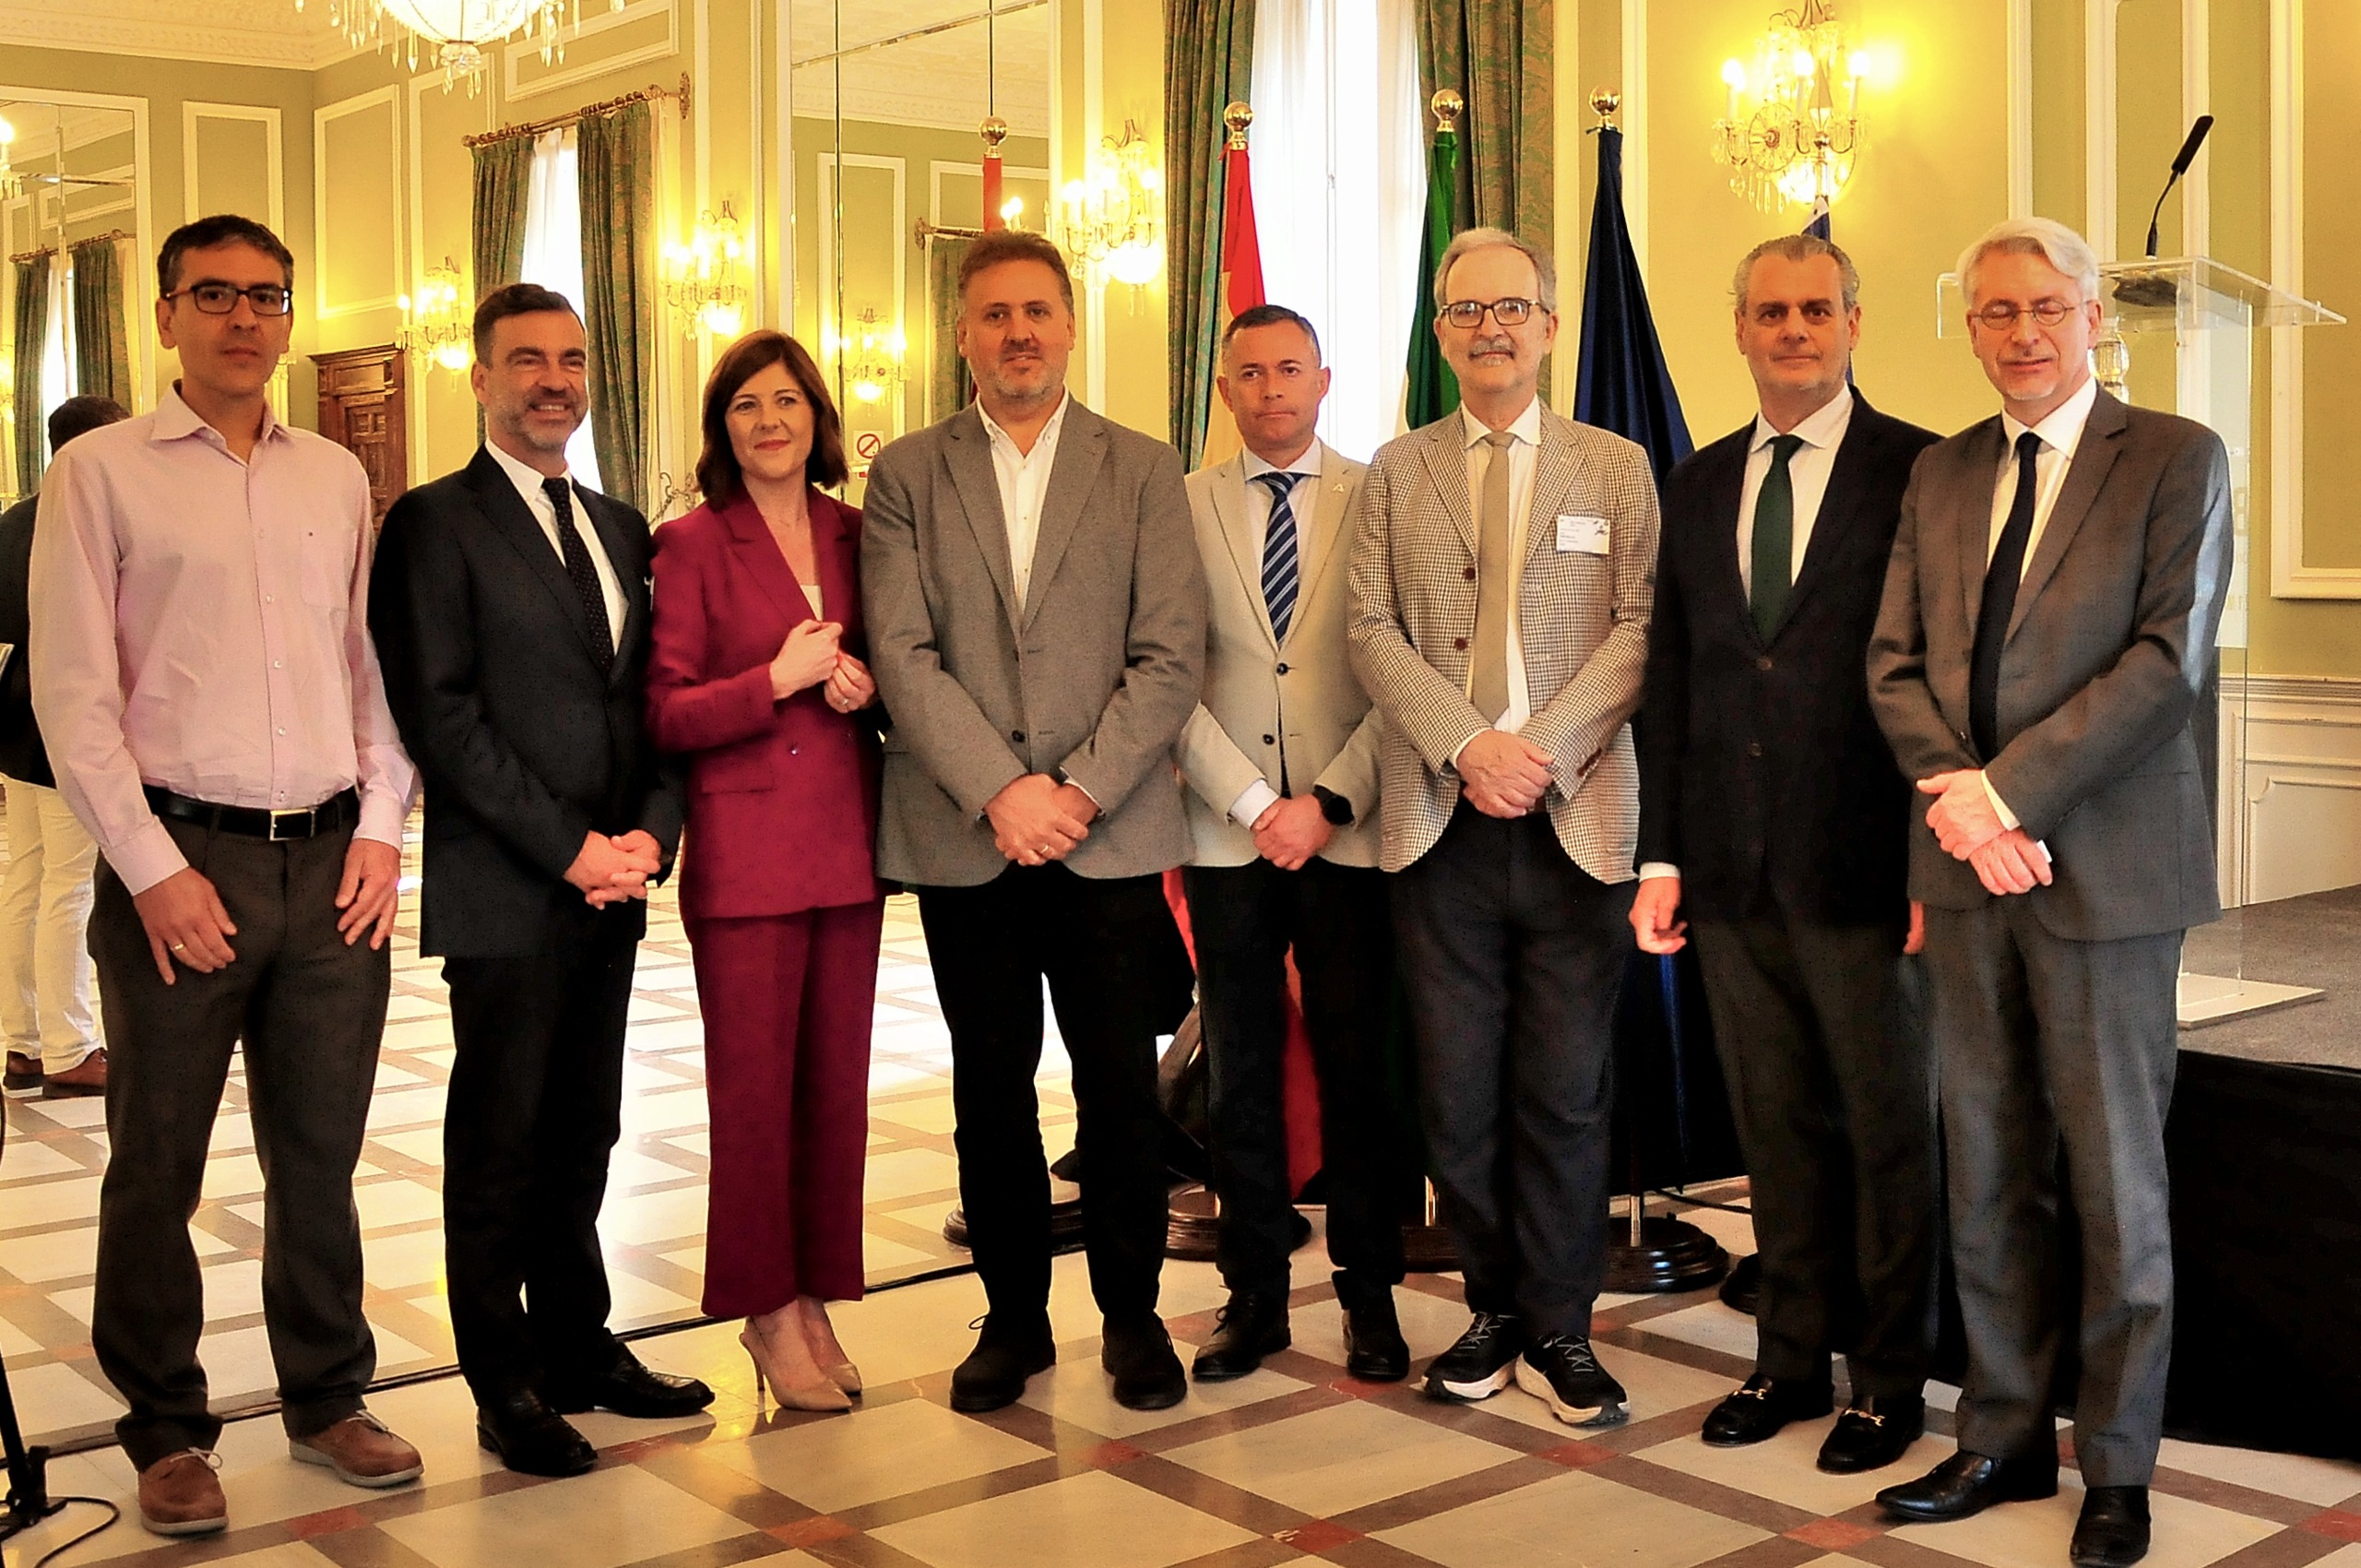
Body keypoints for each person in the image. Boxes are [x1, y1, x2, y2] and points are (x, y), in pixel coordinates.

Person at [30, 214, 421, 1537]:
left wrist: (380, 826)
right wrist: (148, 870)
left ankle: (327, 1395)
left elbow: (371, 669)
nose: (244, 319)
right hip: (179, 860)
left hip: (329, 866)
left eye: (267, 297)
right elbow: (77, 701)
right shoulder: (100, 475)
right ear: (164, 317)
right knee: (157, 1161)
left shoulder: (332, 479)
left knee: (319, 1152)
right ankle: (166, 1425)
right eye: (215, 295)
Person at [1866, 217, 2233, 1568]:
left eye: (2043, 308)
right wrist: (1964, 811)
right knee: (1990, 1165)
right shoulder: (1943, 471)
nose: (2019, 333)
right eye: (1993, 313)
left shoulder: (2179, 457)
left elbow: (2163, 661)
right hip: (1967, 875)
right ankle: (2002, 1436)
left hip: (2105, 872)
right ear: (1969, 328)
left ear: (2093, 317)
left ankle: (2120, 1465)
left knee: (2116, 1180)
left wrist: (2004, 797)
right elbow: (1894, 663)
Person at [368, 282, 711, 1479]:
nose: (553, 379)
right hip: (510, 890)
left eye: (571, 358)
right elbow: (441, 718)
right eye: (526, 360)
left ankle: (580, 1344)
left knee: (588, 1130)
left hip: (615, 889)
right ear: (480, 377)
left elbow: (656, 705)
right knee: (500, 1144)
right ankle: (501, 1379)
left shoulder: (622, 527)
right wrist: (571, 848)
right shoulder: (432, 523)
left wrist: (651, 837)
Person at [861, 228, 1207, 1416]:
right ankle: (1011, 1315)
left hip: (1105, 831)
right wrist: (998, 791)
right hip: (967, 835)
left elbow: (1170, 655)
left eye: (1037, 312)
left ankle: (1132, 1314)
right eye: (994, 314)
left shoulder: (1143, 467)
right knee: (987, 1087)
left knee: (1118, 1088)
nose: (1017, 332)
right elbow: (900, 652)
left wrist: (1075, 792)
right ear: (962, 334)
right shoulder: (906, 473)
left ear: (1069, 326)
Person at [1631, 235, 1941, 1473]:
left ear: (1856, 323)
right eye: (1772, 311)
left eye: (1818, 309)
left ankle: (1891, 1380)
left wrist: (1931, 862)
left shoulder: (1922, 472)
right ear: (1742, 330)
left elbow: (1942, 683)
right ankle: (1789, 1361)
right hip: (1730, 873)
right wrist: (1662, 857)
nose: (1795, 329)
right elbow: (1673, 682)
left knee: (1885, 1133)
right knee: (1776, 1130)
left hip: (1871, 874)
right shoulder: (1698, 484)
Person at [1346, 226, 1658, 1427]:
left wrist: (1541, 753)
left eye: (1512, 309)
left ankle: (1565, 1329)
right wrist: (1468, 748)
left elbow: (1638, 630)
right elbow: (1371, 631)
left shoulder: (1616, 467)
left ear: (1548, 326)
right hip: (1441, 824)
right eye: (1466, 311)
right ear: (1441, 333)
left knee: (1567, 1091)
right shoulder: (1396, 467)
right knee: (1460, 1091)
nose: (1491, 328)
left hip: (1577, 818)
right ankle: (1492, 1307)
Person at [1177, 303, 1416, 1384]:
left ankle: (1370, 1296)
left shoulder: (1387, 494)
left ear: (1325, 379)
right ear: (1224, 389)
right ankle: (1254, 1297)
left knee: (1364, 1071)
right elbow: (1163, 671)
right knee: (1240, 1077)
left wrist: (1324, 800)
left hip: (1350, 831)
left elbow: (1408, 665)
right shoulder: (1178, 507)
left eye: (1289, 370)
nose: (1270, 390)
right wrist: (1244, 799)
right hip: (1226, 836)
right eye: (1249, 374)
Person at [646, 329, 884, 1414]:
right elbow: (663, 709)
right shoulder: (691, 543)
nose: (769, 419)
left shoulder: (857, 529)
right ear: (722, 426)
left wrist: (859, 686)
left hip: (847, 845)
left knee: (835, 1093)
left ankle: (818, 1292)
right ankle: (762, 1305)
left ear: (816, 416)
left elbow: (892, 663)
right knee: (754, 1099)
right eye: (746, 404)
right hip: (744, 856)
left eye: (786, 399)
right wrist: (774, 679)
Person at [0, 395, 127, 1101]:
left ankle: (21, 1040)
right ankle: (69, 1047)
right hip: (63, 724)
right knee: (69, 886)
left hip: (13, 721)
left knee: (28, 877)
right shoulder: (78, 519)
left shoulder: (12, 519)